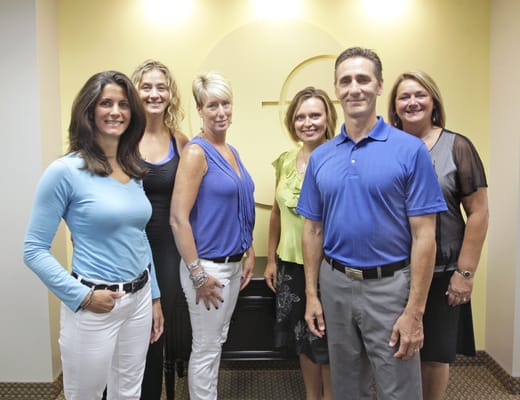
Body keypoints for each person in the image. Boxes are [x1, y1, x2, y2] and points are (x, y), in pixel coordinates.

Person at [296, 47, 448, 400]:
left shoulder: (410, 150)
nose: (355, 88)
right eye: (345, 81)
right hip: (335, 285)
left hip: (391, 287)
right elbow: (313, 230)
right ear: (336, 88)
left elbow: (425, 235)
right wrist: (312, 295)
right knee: (347, 388)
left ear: (380, 86)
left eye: (363, 79)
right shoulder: (322, 157)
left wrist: (415, 311)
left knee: (399, 388)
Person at [23, 71, 164, 399]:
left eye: (123, 104)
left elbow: (139, 237)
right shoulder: (65, 172)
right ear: (89, 110)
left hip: (140, 299)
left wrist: (154, 296)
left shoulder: (131, 167)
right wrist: (83, 297)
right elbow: (33, 249)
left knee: (128, 392)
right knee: (84, 395)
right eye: (106, 103)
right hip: (95, 304)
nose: (116, 111)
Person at [388, 70, 489, 400]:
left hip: (443, 270)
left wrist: (465, 272)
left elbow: (478, 213)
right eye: (404, 96)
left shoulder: (457, 146)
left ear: (433, 102)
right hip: (394, 270)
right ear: (394, 106)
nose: (412, 102)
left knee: (433, 355)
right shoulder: (386, 148)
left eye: (420, 95)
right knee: (396, 350)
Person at [170, 71, 255, 400]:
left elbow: (239, 207)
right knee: (205, 348)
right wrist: (197, 275)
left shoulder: (231, 150)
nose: (221, 112)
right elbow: (179, 219)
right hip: (207, 268)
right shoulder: (196, 153)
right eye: (212, 105)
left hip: (232, 267)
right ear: (200, 110)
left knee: (216, 341)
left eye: (225, 103)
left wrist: (247, 253)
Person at [263, 87, 336, 400]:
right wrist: (270, 260)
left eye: (315, 115)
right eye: (300, 116)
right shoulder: (285, 160)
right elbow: (277, 213)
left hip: (329, 267)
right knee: (303, 337)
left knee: (331, 339)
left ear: (328, 118)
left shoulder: (340, 157)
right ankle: (312, 396)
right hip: (290, 265)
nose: (308, 122)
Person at [131, 59, 189, 400]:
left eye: (161, 87)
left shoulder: (180, 141)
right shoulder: (122, 137)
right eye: (146, 86)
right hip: (130, 246)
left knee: (157, 331)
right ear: (135, 92)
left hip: (167, 250)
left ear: (170, 95)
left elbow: (193, 201)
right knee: (128, 333)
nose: (154, 93)